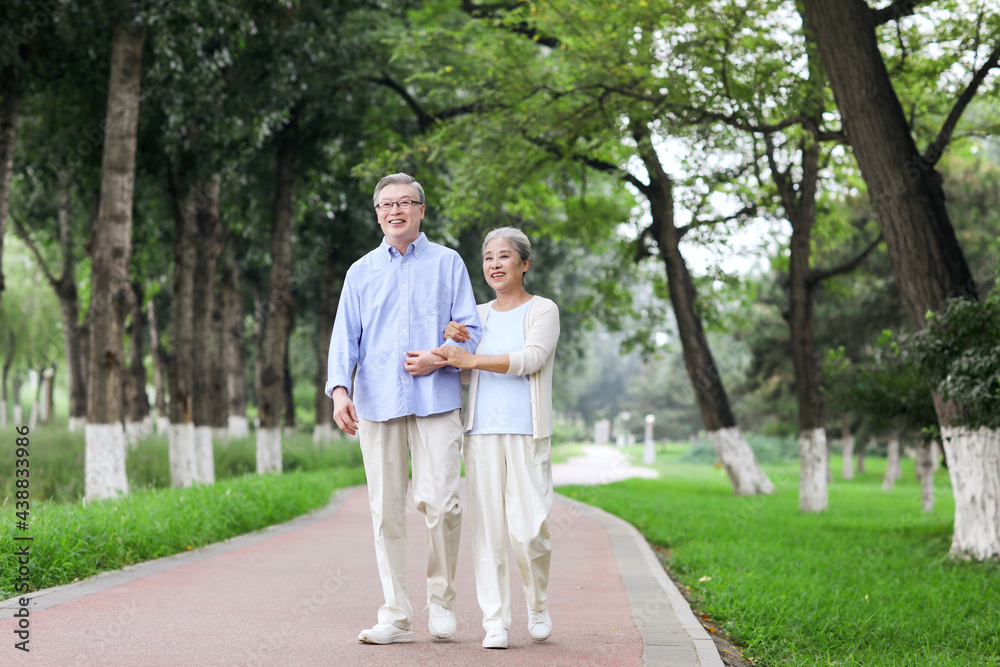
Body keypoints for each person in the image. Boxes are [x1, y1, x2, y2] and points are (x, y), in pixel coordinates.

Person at [325, 173, 482, 645]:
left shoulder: (448, 262)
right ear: (377, 214)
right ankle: (395, 614)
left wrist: (437, 355)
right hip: (377, 400)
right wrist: (339, 391)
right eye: (386, 204)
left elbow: (471, 329)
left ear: (421, 210)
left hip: (436, 399)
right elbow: (343, 337)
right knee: (385, 509)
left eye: (405, 203)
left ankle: (442, 602)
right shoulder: (360, 271)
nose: (395, 211)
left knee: (442, 502)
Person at [432, 226, 560, 650]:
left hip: (527, 432)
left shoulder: (543, 310)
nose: (494, 264)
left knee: (530, 530)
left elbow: (532, 359)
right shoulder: (478, 316)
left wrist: (471, 357)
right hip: (481, 434)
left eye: (504, 256)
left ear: (524, 263)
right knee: (486, 532)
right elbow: (462, 371)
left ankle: (538, 604)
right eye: (488, 257)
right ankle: (495, 621)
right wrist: (450, 345)